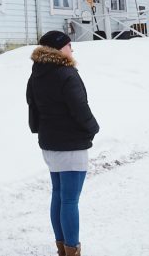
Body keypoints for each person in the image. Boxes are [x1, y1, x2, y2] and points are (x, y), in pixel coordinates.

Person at [26, 31, 100, 256]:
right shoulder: (66, 74)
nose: (72, 49)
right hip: (71, 145)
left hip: (49, 144)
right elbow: (79, 107)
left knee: (58, 194)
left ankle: (62, 247)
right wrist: (92, 128)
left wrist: (41, 130)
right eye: (69, 45)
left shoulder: (36, 73)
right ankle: (72, 249)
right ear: (58, 48)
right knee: (69, 200)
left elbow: (32, 106)